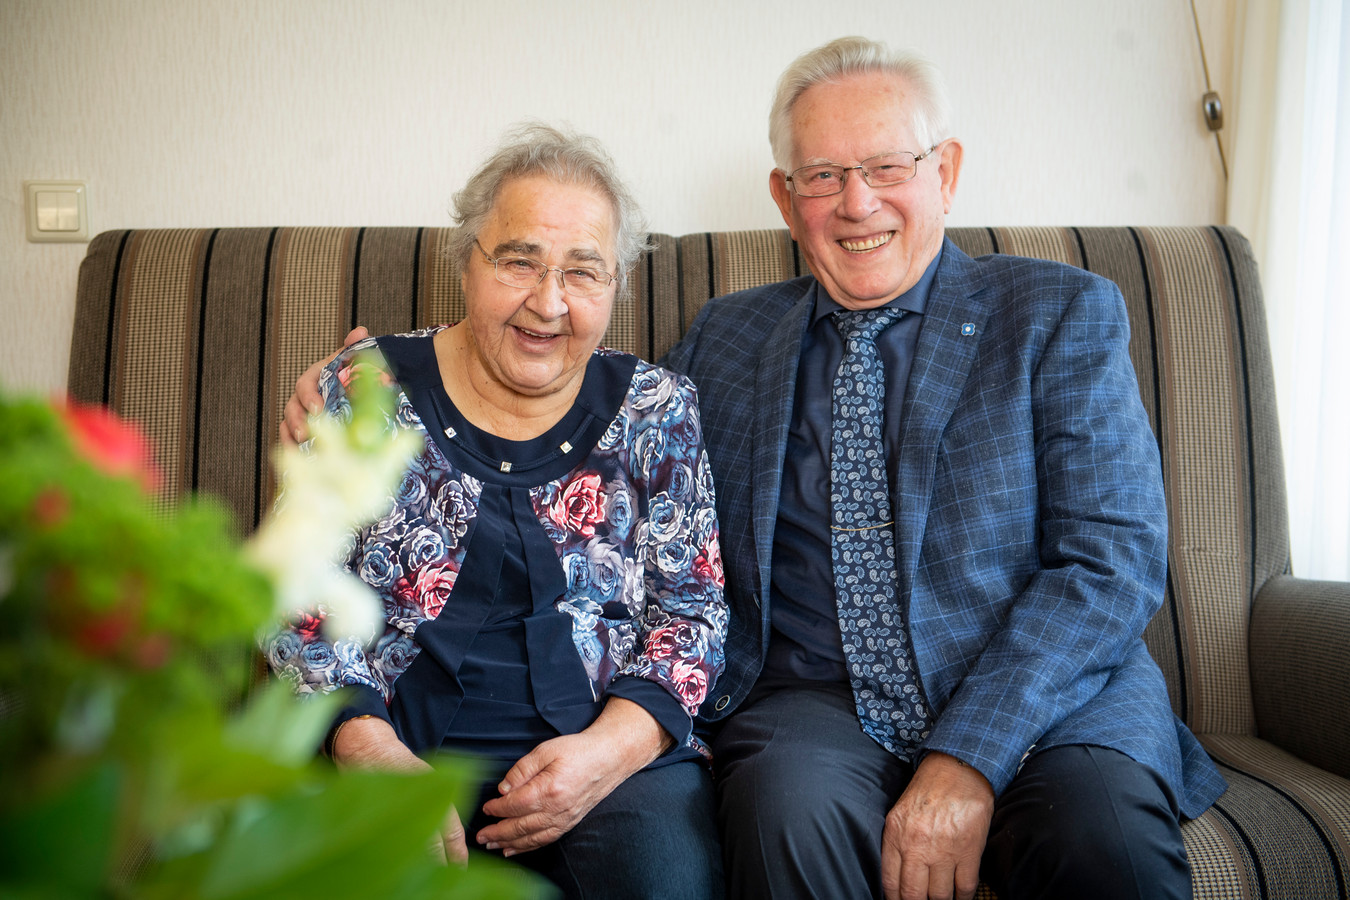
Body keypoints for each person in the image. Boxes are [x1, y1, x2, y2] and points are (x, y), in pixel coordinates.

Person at [285, 38, 1227, 900]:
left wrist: (965, 758)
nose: (857, 202)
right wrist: (353, 384)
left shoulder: (1058, 314)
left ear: (944, 172)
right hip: (819, 711)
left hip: (1050, 706)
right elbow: (569, 409)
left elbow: (1111, 561)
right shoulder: (727, 341)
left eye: (888, 167)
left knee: (1101, 843)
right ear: (784, 198)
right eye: (824, 176)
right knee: (781, 820)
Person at [265, 123, 728, 900]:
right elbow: (293, 587)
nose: (548, 302)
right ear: (468, 264)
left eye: (582, 271)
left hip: (610, 765)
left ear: (615, 286)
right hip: (391, 745)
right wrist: (364, 744)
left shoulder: (657, 406)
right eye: (519, 261)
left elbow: (695, 613)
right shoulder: (365, 389)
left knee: (663, 879)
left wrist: (609, 753)